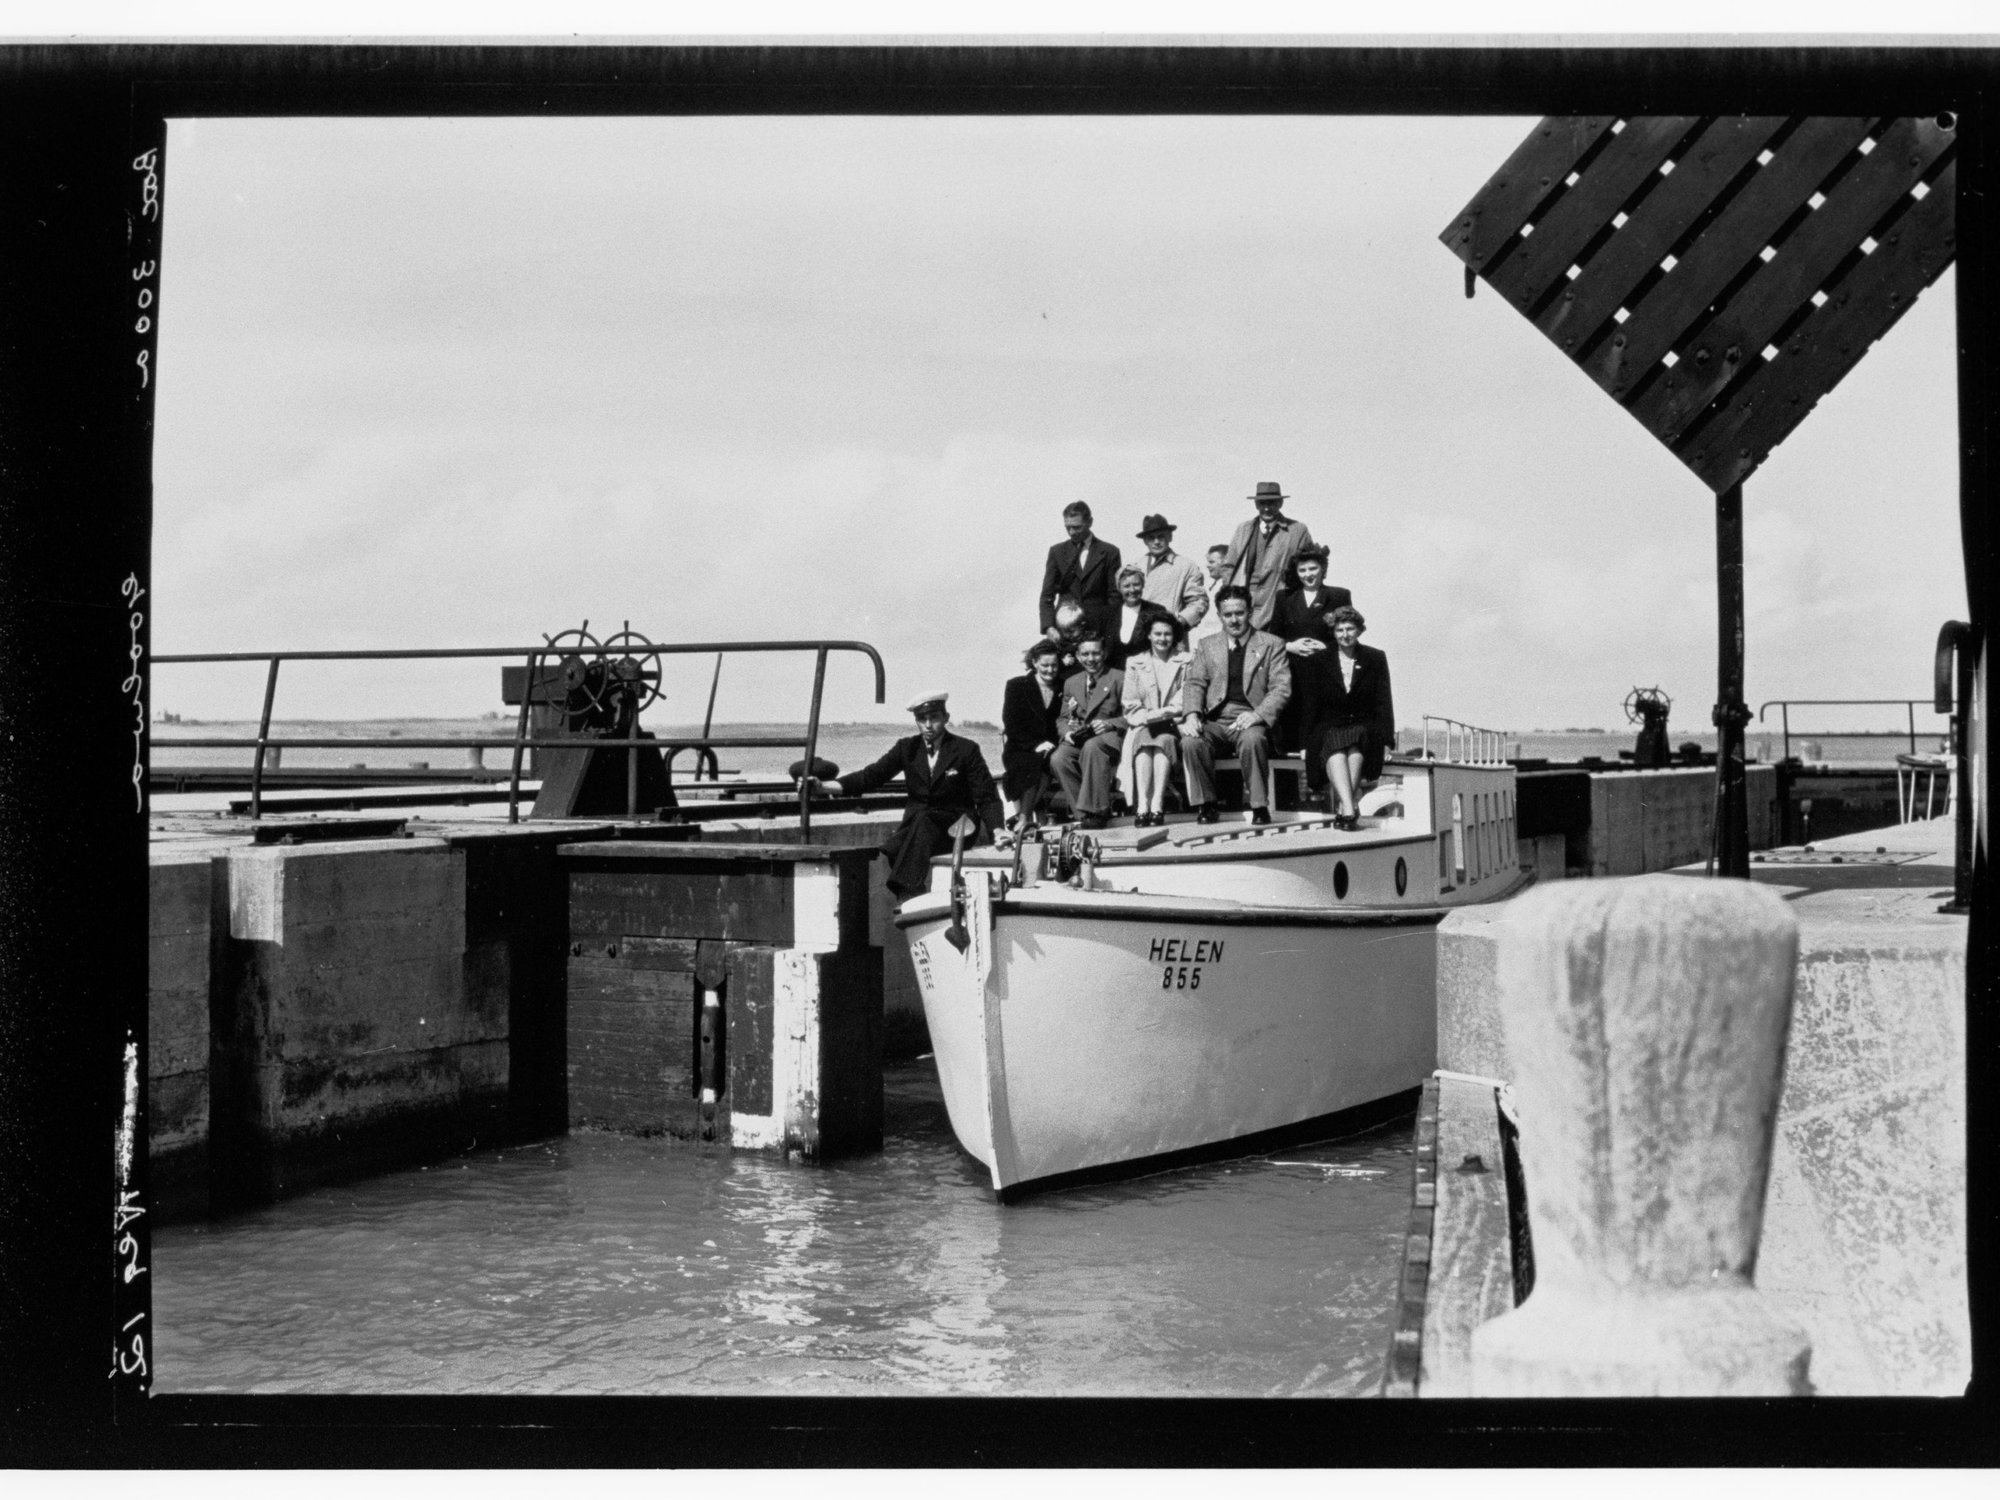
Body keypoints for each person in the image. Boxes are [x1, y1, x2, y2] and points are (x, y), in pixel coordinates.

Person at [814, 691, 1011, 898]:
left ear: (946, 718)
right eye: (922, 719)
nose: (928, 725)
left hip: (958, 825)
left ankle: (907, 893)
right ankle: (914, 893)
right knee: (893, 847)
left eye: (934, 718)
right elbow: (872, 776)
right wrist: (825, 787)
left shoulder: (965, 750)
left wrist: (997, 830)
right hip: (920, 826)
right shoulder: (907, 748)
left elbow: (986, 795)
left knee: (923, 822)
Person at [1180, 585, 1291, 825]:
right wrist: (1191, 715)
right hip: (1216, 722)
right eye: (1227, 614)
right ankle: (1207, 805)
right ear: (1219, 615)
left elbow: (1281, 688)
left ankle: (1259, 806)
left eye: (1239, 613)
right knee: (1191, 741)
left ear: (1249, 612)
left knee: (1253, 740)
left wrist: (1258, 714)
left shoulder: (1271, 644)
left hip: (1250, 719)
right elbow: (1195, 683)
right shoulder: (1207, 645)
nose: (1234, 620)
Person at [1269, 541, 1354, 781]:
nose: (1308, 575)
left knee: (1321, 737)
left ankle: (1324, 795)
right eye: (1303, 570)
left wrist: (1327, 647)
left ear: (1323, 569)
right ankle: (1286, 800)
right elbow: (1272, 637)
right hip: (1291, 675)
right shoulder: (1284, 598)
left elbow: (1348, 632)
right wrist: (1290, 646)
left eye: (1313, 569)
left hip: (1324, 676)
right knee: (1289, 738)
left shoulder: (1338, 595)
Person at [1312, 605, 1395, 830]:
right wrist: (1303, 741)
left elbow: (1383, 700)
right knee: (1336, 746)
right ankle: (1350, 807)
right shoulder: (1320, 660)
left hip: (1363, 723)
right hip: (1330, 724)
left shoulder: (1375, 658)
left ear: (1359, 630)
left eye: (1350, 629)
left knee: (1356, 744)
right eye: (1340, 630)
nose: (1345, 635)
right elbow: (1312, 703)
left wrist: (1388, 739)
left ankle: (1345, 809)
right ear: (1334, 632)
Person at [1120, 611, 1190, 827]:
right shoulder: (1135, 662)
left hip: (1174, 723)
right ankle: (1143, 804)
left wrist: (1159, 715)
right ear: (1149, 635)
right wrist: (1148, 717)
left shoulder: (1186, 660)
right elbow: (1130, 701)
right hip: (1142, 723)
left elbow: (1184, 698)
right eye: (1157, 633)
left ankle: (1157, 803)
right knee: (1143, 743)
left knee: (1163, 742)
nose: (1162, 639)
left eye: (1167, 634)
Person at [1050, 633, 1126, 830]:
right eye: (1085, 654)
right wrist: (1066, 732)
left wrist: (1111, 724)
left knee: (1093, 747)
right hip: (1082, 739)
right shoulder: (1072, 682)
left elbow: (1133, 715)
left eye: (1095, 653)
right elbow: (1063, 717)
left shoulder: (1119, 678)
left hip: (1112, 738)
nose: (1090, 659)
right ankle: (1084, 816)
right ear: (1077, 655)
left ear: (1104, 653)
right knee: (1059, 758)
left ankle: (1097, 811)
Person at [1220, 481, 1318, 631]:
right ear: (1256, 504)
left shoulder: (1297, 530)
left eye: (1271, 503)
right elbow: (1229, 566)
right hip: (1244, 603)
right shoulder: (1243, 529)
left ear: (1280, 503)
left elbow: (1310, 564)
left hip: (1278, 602)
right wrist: (1233, 594)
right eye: (1261, 503)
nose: (1266, 508)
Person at [1000, 639, 1065, 829]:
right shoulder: (1016, 686)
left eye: (1054, 665)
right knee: (1030, 764)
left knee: (1043, 766)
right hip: (1020, 746)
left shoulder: (1063, 686)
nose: (1050, 670)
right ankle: (1024, 819)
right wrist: (1034, 745)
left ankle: (1021, 818)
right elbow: (1011, 723)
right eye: (1045, 665)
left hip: (1050, 746)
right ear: (1035, 662)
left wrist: (1048, 744)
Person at [1038, 501, 1122, 645]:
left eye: (1077, 527)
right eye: (1068, 527)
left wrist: (1109, 631)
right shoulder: (1057, 552)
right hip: (1064, 630)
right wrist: (1049, 627)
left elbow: (1114, 596)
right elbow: (1047, 595)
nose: (1072, 532)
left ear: (1089, 522)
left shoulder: (1109, 552)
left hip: (1098, 631)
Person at [1136, 513, 1210, 636]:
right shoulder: (1137, 566)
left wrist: (1179, 623)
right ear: (1145, 541)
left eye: (1161, 537)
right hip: (1140, 634)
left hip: (1170, 636)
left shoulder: (1186, 566)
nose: (1157, 542)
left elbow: (1199, 601)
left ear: (1170, 537)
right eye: (1151, 538)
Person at [1107, 564, 1153, 670]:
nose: (1132, 590)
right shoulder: (1108, 613)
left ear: (1143, 585)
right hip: (1114, 675)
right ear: (1119, 588)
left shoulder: (1155, 611)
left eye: (1136, 584)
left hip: (1144, 673)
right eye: (1126, 586)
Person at [1187, 543, 1233, 645]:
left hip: (1218, 643)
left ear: (1225, 562)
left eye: (1212, 562)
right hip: (1201, 641)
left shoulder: (1229, 588)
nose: (1208, 565)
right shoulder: (1210, 586)